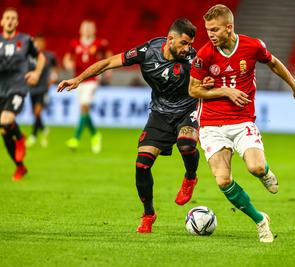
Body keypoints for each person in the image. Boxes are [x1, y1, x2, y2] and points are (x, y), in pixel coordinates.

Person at [58, 18, 212, 233]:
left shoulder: (194, 59)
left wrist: (211, 83)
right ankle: (149, 214)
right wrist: (78, 79)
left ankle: (190, 177)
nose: (188, 49)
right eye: (184, 43)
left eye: (190, 44)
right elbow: (108, 63)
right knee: (142, 165)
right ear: (170, 39)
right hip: (160, 113)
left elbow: (212, 77)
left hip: (188, 109)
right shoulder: (148, 51)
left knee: (186, 144)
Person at [189, 4, 295, 243]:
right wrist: (226, 91)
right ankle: (260, 221)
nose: (210, 34)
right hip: (211, 124)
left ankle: (264, 173)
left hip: (241, 119)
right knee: (223, 180)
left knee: (255, 167)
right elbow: (193, 90)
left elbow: (273, 62)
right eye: (208, 30)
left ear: (229, 27)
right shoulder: (204, 54)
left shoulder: (252, 46)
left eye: (214, 29)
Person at [0, 7, 45, 180]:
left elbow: (40, 58)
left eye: (13, 18)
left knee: (6, 119)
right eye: (7, 18)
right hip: (1, 89)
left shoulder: (25, 40)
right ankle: (20, 166)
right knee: (4, 130)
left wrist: (37, 73)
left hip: (17, 87)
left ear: (17, 22)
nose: (10, 20)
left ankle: (19, 137)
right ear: (2, 22)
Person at [63, 20, 112, 153]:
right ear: (80, 30)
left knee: (84, 106)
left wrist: (109, 70)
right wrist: (68, 63)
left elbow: (109, 56)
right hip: (78, 80)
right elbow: (67, 58)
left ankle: (75, 138)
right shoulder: (74, 44)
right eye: (85, 28)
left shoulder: (100, 43)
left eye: (90, 28)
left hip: (93, 79)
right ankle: (95, 135)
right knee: (84, 110)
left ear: (94, 30)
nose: (87, 30)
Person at [26, 34, 58, 148]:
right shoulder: (30, 56)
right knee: (35, 113)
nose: (39, 44)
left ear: (44, 43)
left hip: (43, 88)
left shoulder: (49, 56)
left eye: (41, 42)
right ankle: (44, 130)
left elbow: (56, 67)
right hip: (32, 88)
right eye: (37, 42)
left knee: (37, 112)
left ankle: (33, 135)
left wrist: (53, 78)